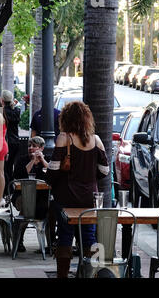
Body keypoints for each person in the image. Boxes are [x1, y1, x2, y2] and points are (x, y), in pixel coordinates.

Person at [45, 101, 109, 278]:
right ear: (87, 119)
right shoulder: (95, 140)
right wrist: (89, 175)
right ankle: (92, 274)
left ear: (65, 118)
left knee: (64, 237)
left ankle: (63, 275)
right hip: (88, 200)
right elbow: (105, 171)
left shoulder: (64, 138)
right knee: (90, 238)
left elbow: (52, 172)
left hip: (65, 199)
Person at [11, 136, 49, 252]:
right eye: (29, 146)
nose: (30, 148)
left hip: (41, 197)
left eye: (34, 146)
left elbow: (51, 175)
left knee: (51, 211)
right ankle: (19, 241)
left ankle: (50, 244)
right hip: (21, 195)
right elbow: (18, 175)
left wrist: (42, 160)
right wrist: (32, 161)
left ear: (41, 148)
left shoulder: (47, 160)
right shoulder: (22, 160)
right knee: (26, 206)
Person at [1, 90, 21, 195]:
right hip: (15, 142)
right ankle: (10, 189)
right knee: (10, 167)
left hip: (6, 141)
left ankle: (6, 191)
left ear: (2, 100)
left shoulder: (2, 111)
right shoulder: (16, 110)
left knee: (4, 168)